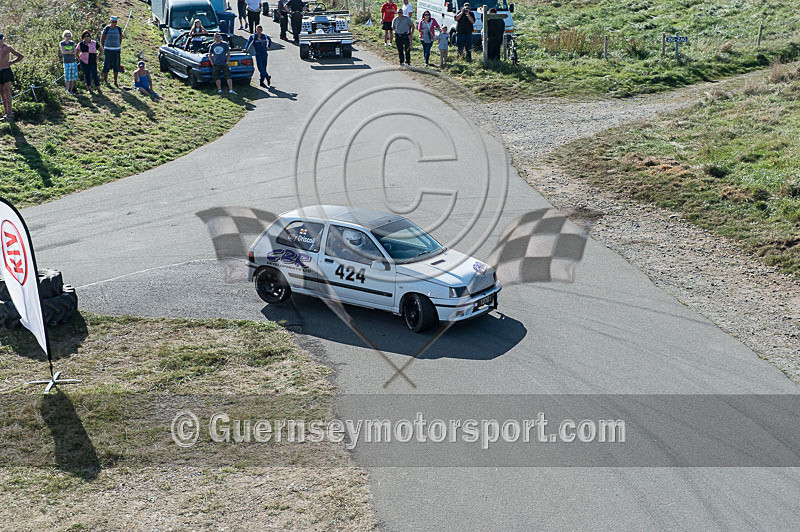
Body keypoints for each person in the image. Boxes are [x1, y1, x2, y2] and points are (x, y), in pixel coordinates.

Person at [0, 33, 23, 122]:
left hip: (6, 71)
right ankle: (6, 112)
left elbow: (20, 56)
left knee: (7, 90)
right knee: (1, 92)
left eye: (1, 39)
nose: (0, 41)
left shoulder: (7, 48)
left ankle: (10, 113)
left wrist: (11, 62)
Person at [101, 15, 124, 86]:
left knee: (116, 66)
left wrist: (118, 46)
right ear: (110, 21)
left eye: (115, 22)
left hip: (116, 50)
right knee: (106, 65)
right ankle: (105, 81)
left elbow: (120, 39)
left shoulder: (119, 29)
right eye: (113, 21)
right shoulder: (106, 29)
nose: (114, 23)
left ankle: (115, 81)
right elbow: (102, 39)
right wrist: (104, 47)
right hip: (108, 49)